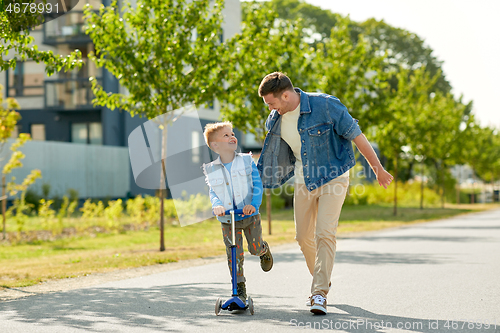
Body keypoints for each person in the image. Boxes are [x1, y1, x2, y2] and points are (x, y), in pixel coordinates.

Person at [257, 72, 393, 315]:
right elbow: (274, 150)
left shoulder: (326, 105)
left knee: (324, 233)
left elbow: (357, 136)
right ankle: (323, 276)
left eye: (271, 102)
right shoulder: (275, 118)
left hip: (334, 176)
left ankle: (319, 293)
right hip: (303, 180)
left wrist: (378, 169)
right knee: (302, 237)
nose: (270, 108)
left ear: (285, 95)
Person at [202, 121, 273, 302]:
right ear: (215, 145)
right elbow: (213, 192)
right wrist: (216, 205)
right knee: (234, 254)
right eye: (226, 135)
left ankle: (263, 251)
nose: (232, 136)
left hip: (249, 215)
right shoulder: (211, 169)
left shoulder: (247, 161)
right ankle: (239, 289)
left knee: (254, 249)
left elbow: (257, 185)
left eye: (232, 133)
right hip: (228, 219)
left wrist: (254, 205)